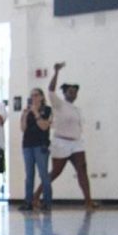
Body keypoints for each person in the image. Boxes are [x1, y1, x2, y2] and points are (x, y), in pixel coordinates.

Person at [34, 62, 97, 211]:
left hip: (76, 144)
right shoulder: (59, 104)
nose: (73, 94)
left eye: (75, 92)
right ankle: (36, 196)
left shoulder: (76, 109)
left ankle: (88, 201)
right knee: (56, 172)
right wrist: (56, 72)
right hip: (61, 143)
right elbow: (50, 90)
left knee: (82, 170)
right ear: (65, 93)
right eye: (70, 91)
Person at [19, 88, 52, 211]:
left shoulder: (47, 110)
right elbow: (23, 128)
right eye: (31, 95)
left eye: (36, 95)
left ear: (42, 97)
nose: (33, 97)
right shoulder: (28, 111)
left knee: (43, 174)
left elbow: (44, 126)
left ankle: (47, 202)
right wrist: (25, 114)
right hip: (27, 145)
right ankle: (28, 202)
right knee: (29, 175)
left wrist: (36, 113)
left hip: (40, 145)